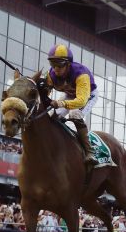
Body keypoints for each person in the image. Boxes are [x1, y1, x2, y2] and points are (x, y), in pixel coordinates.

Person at [43, 44, 104, 174]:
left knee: (75, 114)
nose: (56, 69)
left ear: (68, 64)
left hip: (88, 96)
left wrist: (61, 103)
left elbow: (81, 100)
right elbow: (45, 92)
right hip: (70, 94)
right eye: (53, 64)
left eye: (60, 65)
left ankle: (89, 152)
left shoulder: (81, 74)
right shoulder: (51, 74)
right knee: (52, 115)